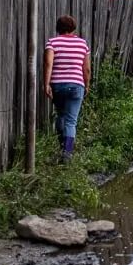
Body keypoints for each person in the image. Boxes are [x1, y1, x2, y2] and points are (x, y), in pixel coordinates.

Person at [43, 15, 92, 161]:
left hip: (58, 85)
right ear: (73, 28)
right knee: (71, 121)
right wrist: (87, 84)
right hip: (77, 85)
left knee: (61, 115)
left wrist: (46, 84)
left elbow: (48, 64)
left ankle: (62, 146)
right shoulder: (83, 44)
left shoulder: (52, 43)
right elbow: (87, 69)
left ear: (58, 28)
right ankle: (67, 153)